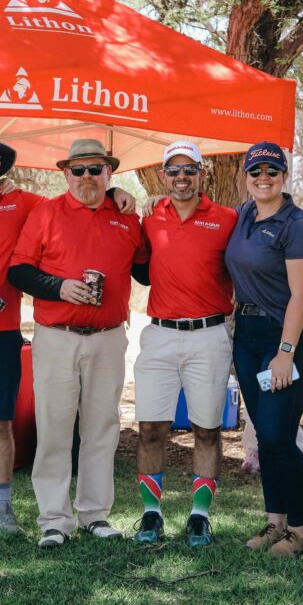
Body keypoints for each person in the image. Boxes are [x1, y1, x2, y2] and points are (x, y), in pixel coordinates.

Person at [0, 134, 137, 537]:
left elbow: (86, 200)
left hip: (9, 334)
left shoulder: (27, 205)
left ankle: (17, 511)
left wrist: (117, 193)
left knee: (9, 423)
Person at [9, 138, 147, 549]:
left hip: (109, 338)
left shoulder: (127, 218)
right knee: (54, 427)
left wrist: (146, 205)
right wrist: (59, 287)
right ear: (65, 173)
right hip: (57, 337)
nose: (87, 177)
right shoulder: (46, 213)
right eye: (79, 170)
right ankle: (54, 518)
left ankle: (94, 514)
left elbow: (146, 270)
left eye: (95, 169)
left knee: (102, 428)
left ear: (109, 173)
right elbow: (19, 271)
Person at [130, 140, 238, 547]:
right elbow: (139, 265)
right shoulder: (150, 218)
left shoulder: (227, 219)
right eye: (173, 170)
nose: (181, 177)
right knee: (150, 428)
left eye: (189, 169)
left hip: (209, 335)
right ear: (162, 176)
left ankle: (199, 517)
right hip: (159, 334)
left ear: (201, 174)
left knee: (207, 430)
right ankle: (151, 514)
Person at [224, 141, 303, 557]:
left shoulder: (297, 224)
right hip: (246, 335)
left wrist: (285, 352)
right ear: (245, 176)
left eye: (272, 171)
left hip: (285, 337)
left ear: (284, 176)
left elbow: (302, 295)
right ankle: (274, 523)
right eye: (256, 171)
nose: (263, 178)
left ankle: (299, 529)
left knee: (279, 436)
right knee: (265, 436)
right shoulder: (243, 215)